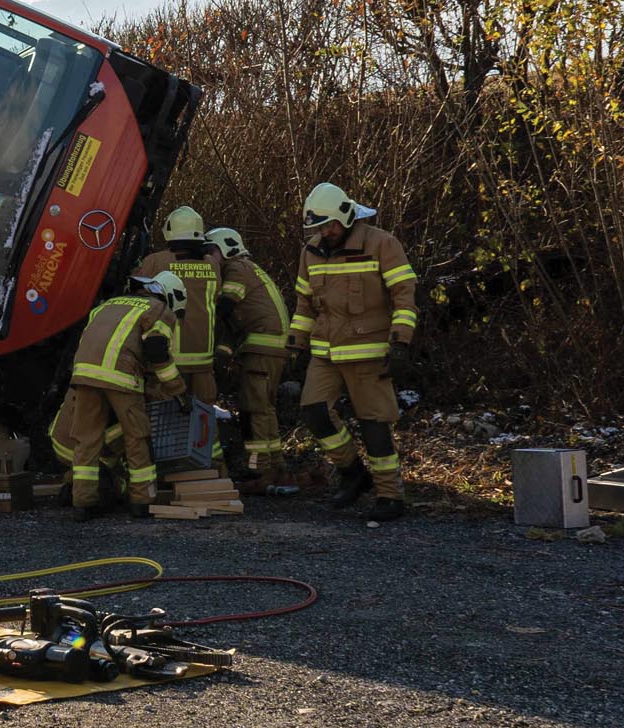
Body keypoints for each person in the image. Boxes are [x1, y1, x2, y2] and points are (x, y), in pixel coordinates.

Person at [290, 182, 418, 518]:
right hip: (326, 352)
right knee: (314, 411)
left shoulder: (381, 244)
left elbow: (404, 295)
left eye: (329, 225)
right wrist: (294, 343)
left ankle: (390, 497)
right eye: (319, 226)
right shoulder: (311, 251)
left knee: (374, 423)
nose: (325, 231)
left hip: (368, 351)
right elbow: (305, 304)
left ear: (346, 216)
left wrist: (400, 341)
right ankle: (352, 473)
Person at [48, 272, 186, 520]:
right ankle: (142, 502)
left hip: (84, 375)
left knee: (87, 439)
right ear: (168, 296)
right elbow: (156, 350)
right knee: (137, 436)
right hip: (121, 376)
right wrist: (177, 390)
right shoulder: (158, 309)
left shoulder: (108, 305)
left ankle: (83, 504)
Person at [132, 205, 224, 469]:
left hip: (168, 360)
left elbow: (135, 297)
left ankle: (167, 472)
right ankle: (215, 470)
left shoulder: (156, 262)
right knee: (205, 418)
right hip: (203, 361)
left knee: (164, 417)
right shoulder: (212, 266)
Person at [205, 226, 291, 485]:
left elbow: (224, 308)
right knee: (263, 407)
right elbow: (235, 324)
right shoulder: (251, 270)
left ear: (224, 249)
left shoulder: (236, 269)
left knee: (255, 409)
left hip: (262, 348)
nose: (208, 259)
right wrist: (222, 355)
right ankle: (275, 467)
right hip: (267, 347)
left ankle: (260, 471)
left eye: (211, 252)